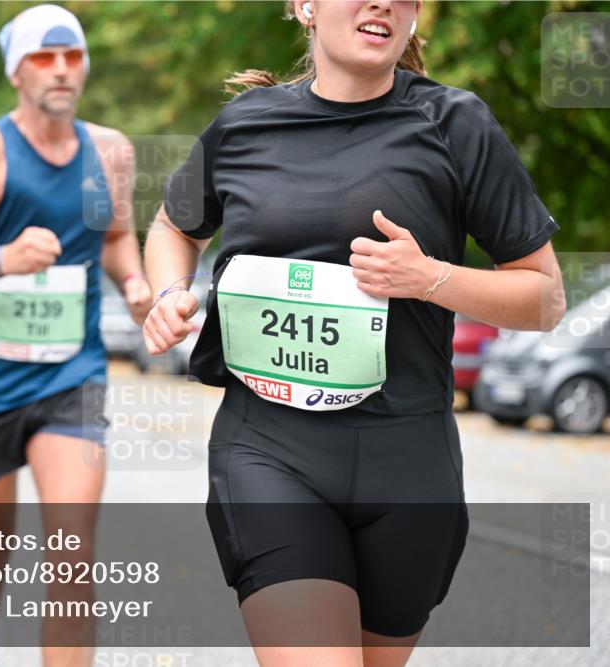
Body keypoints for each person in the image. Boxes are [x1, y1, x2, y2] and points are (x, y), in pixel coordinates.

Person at [142, 1, 566, 666]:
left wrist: (427, 277)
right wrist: (171, 292)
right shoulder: (246, 125)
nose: (383, 3)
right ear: (305, 7)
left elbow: (545, 299)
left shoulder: (456, 124)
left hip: (410, 460)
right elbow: (173, 226)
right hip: (269, 448)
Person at [0, 5, 151, 666]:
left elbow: (117, 236)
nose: (62, 69)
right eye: (44, 57)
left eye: (72, 55)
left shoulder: (111, 151)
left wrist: (132, 283)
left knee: (73, 557)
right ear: (16, 71)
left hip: (71, 375)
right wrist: (1, 259)